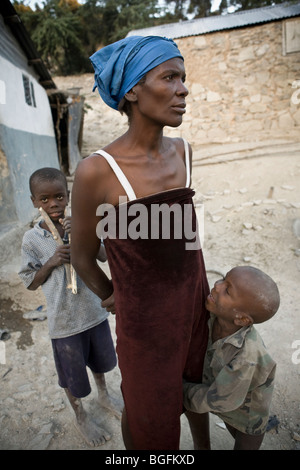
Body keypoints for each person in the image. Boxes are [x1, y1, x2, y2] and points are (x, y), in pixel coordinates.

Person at [71, 36, 210, 450]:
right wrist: (116, 294)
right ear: (132, 90)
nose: (183, 89)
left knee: (197, 390)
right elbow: (81, 257)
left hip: (195, 306)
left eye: (183, 78)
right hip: (144, 326)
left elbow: (180, 237)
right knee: (150, 412)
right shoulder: (98, 171)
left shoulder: (183, 152)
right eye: (169, 77)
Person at [18, 167, 121, 448]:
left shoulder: (80, 224)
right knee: (72, 377)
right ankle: (81, 415)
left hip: (94, 313)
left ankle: (104, 394)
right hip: (64, 324)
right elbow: (29, 282)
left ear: (68, 196)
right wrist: (52, 261)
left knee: (101, 362)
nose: (53, 204)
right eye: (45, 199)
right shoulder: (31, 239)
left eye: (59, 197)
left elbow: (102, 256)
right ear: (34, 201)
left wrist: (85, 235)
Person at [183, 266, 280, 450]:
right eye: (223, 279)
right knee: (197, 404)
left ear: (242, 320)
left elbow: (222, 401)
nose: (217, 286)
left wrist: (180, 391)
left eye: (227, 290)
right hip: (215, 391)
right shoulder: (210, 317)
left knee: (245, 441)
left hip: (245, 410)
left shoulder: (247, 357)